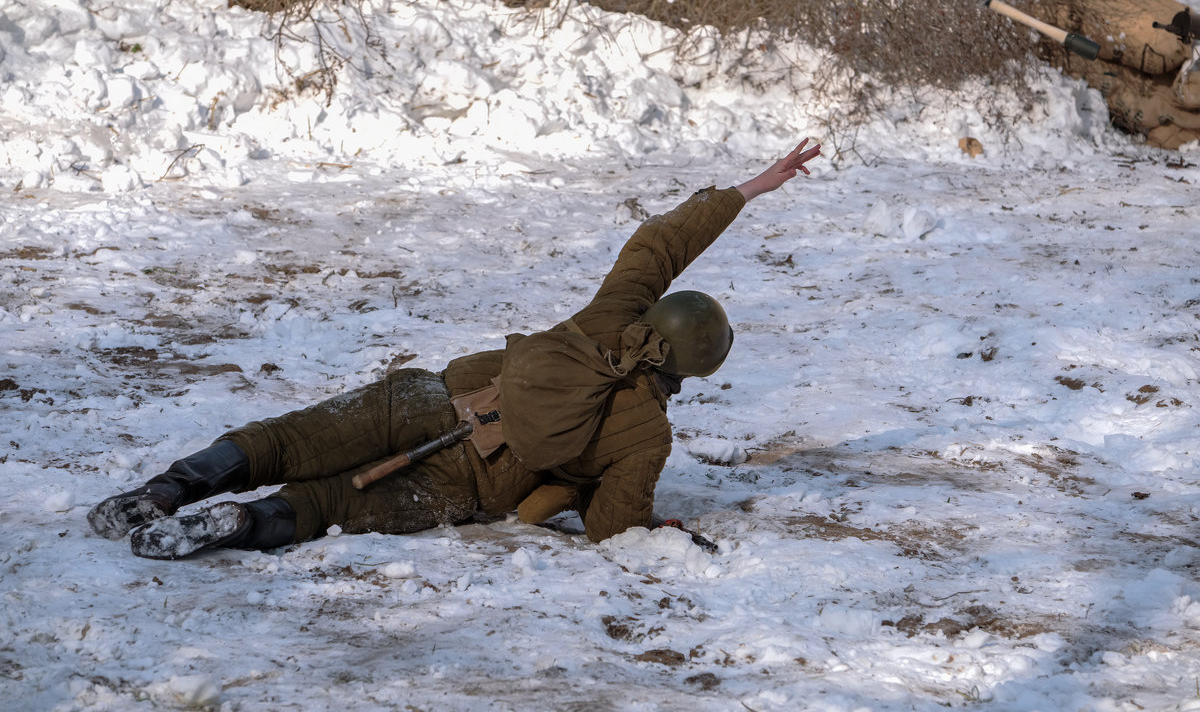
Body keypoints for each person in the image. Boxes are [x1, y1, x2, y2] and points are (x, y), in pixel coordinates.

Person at [87, 139, 822, 559]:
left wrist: (758, 184)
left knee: (291, 438)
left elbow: (663, 240)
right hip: (475, 483)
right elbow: (609, 528)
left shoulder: (618, 306)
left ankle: (168, 490)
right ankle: (242, 525)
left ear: (659, 310)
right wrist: (607, 505)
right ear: (694, 369)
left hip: (435, 396)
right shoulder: (648, 433)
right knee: (332, 503)